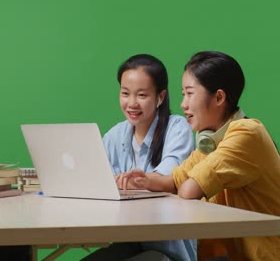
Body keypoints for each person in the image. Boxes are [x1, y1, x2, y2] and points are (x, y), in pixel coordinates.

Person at [116, 51, 280, 260]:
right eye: (183, 94)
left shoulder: (246, 134)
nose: (183, 104)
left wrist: (178, 182)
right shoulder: (212, 139)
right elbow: (173, 180)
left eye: (190, 93)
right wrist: (143, 180)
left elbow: (188, 190)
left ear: (218, 97)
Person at [83, 54, 196, 261]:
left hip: (167, 250)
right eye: (125, 93)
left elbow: (170, 175)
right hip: (130, 242)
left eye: (142, 95)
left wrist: (143, 180)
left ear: (160, 97)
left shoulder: (177, 127)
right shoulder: (115, 135)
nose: (132, 103)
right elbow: (96, 180)